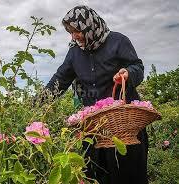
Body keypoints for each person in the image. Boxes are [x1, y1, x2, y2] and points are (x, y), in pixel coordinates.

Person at [44, 5, 148, 184]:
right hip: (95, 127)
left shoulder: (118, 41)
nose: (74, 36)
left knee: (129, 173)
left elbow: (137, 67)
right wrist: (38, 103)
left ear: (89, 25)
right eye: (70, 32)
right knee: (97, 173)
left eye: (77, 30)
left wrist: (127, 73)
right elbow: (59, 80)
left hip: (124, 124)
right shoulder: (74, 53)